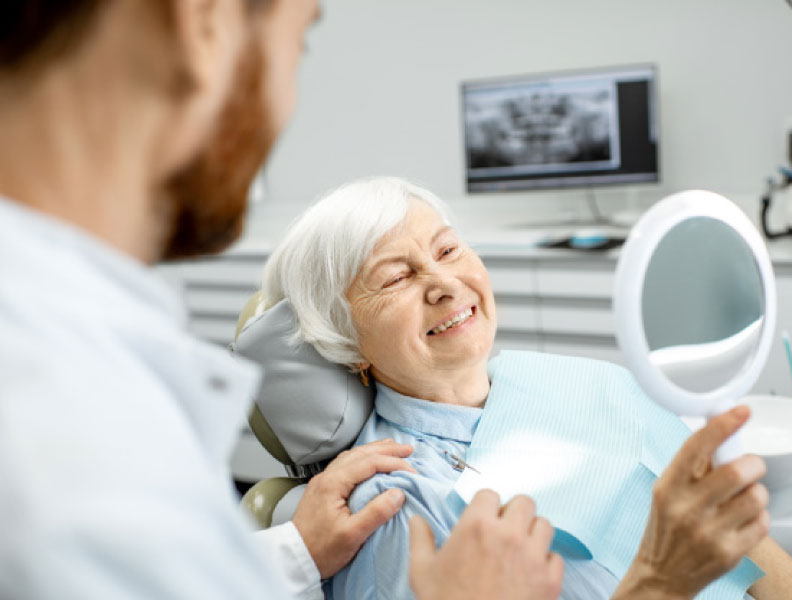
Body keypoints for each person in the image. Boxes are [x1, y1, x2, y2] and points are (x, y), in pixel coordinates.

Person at [0, 2, 563, 599]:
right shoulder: (60, 425)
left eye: (448, 251)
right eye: (301, 40)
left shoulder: (68, 367)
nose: (286, 102)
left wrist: (292, 552)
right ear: (203, 23)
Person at [261, 176, 792, 600]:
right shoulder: (391, 504)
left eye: (447, 249)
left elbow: (746, 546)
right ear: (347, 343)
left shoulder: (581, 380)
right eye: (395, 278)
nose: (443, 283)